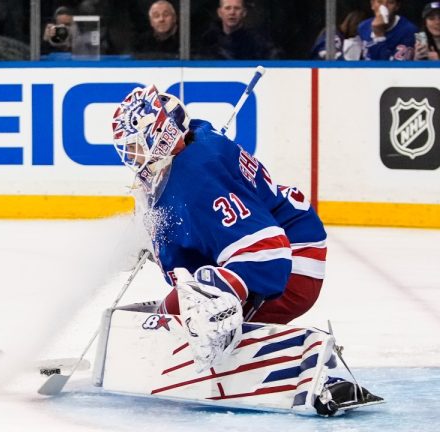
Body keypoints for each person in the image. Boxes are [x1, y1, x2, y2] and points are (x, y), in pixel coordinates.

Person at [110, 85, 381, 415]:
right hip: (264, 245)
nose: (133, 157)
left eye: (137, 146)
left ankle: (315, 374)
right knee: (173, 315)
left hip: (293, 257)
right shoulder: (190, 151)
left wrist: (221, 298)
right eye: (128, 149)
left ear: (163, 135)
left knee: (203, 317)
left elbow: (268, 253)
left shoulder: (197, 176)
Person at [194, 0, 278, 60]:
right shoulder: (208, 40)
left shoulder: (258, 42)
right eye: (227, 8)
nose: (232, 12)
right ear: (219, 12)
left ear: (244, 13)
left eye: (237, 8)